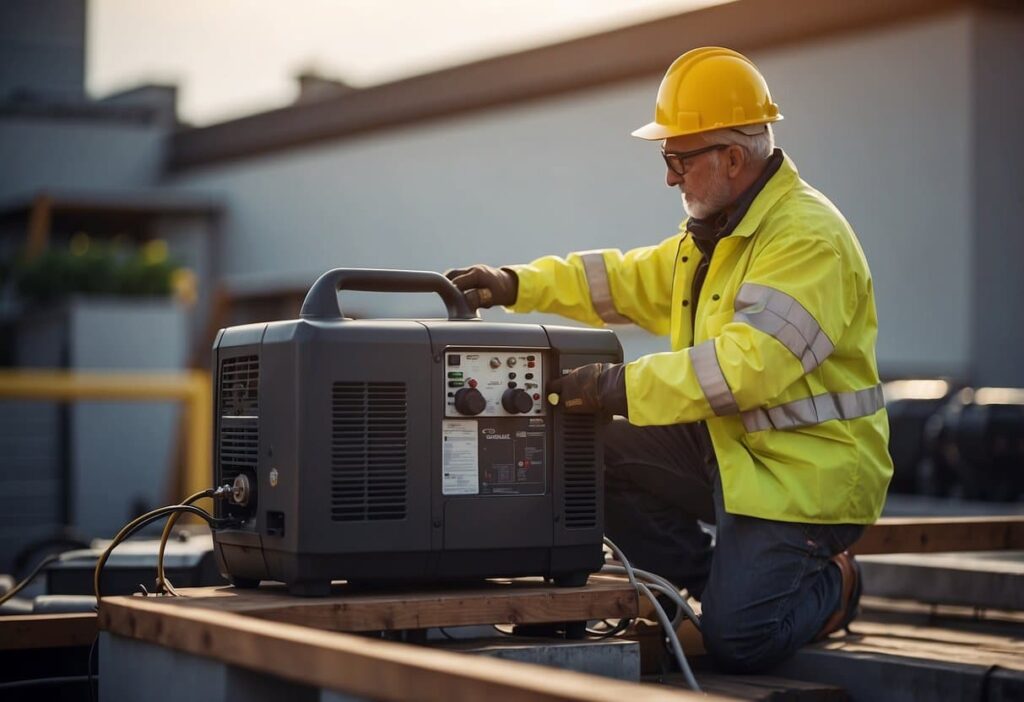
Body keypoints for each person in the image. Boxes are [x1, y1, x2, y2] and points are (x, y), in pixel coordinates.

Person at [446, 46, 892, 672]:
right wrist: (514, 284)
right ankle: (719, 581)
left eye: (678, 159)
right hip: (737, 454)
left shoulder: (806, 240)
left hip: (806, 481)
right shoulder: (716, 234)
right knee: (591, 450)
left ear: (732, 158)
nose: (669, 177)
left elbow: (746, 369)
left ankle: (835, 585)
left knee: (742, 639)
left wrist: (615, 386)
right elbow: (618, 281)